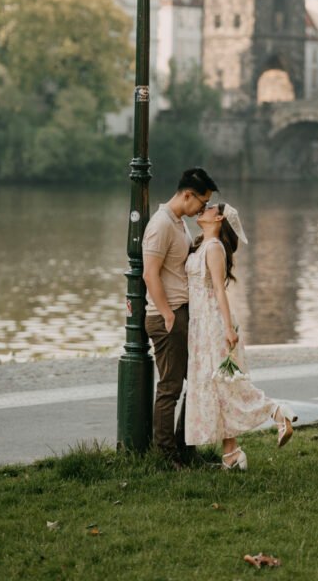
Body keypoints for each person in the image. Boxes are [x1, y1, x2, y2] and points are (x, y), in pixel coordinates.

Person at [185, 202, 296, 470]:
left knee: (226, 385)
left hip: (213, 324)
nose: (203, 209)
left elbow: (219, 291)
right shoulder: (203, 246)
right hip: (201, 325)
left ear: (219, 218)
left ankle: (277, 412)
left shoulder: (213, 248)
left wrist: (227, 328)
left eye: (210, 208)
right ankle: (231, 454)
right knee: (218, 387)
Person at [142, 166, 218, 466]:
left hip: (181, 314)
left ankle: (186, 449)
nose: (203, 208)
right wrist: (167, 314)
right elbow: (150, 274)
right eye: (202, 202)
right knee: (170, 388)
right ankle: (166, 455)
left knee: (199, 382)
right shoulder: (161, 224)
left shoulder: (178, 223)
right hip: (168, 316)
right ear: (188, 195)